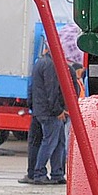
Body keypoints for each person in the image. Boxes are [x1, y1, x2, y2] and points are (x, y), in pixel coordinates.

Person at [27, 45, 67, 184]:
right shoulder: (50, 65)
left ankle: (57, 173)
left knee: (58, 142)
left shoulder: (39, 63)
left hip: (41, 110)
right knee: (50, 143)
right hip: (50, 112)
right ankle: (40, 173)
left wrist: (32, 106)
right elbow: (52, 90)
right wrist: (58, 110)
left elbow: (31, 87)